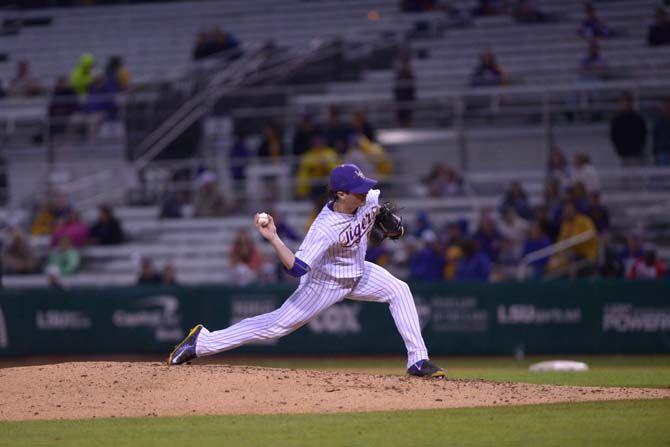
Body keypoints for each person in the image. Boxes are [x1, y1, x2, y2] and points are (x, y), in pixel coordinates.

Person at [168, 163, 447, 378]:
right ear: (340, 194)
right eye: (357, 189)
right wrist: (274, 238)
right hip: (325, 282)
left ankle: (418, 360)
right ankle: (202, 342)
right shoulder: (324, 228)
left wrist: (393, 225)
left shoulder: (369, 198)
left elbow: (393, 228)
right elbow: (297, 268)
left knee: (400, 289)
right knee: (276, 326)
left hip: (359, 272)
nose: (365, 191)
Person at [610, 92, 647, 166]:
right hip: (622, 153)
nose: (626, 104)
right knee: (624, 175)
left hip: (636, 153)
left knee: (636, 175)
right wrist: (619, 149)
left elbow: (643, 134)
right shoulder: (617, 119)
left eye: (628, 101)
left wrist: (638, 149)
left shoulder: (638, 118)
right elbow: (614, 135)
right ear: (621, 103)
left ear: (632, 103)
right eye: (624, 101)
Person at [394, 54, 415, 127]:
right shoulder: (399, 74)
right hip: (400, 99)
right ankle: (399, 128)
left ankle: (409, 127)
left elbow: (412, 88)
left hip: (408, 98)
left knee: (408, 116)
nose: (404, 64)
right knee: (400, 117)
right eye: (403, 63)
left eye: (405, 63)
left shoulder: (410, 74)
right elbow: (396, 88)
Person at [653, 97, 670, 165]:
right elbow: (655, 136)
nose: (666, 108)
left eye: (668, 106)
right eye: (664, 106)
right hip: (663, 151)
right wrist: (655, 152)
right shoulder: (658, 121)